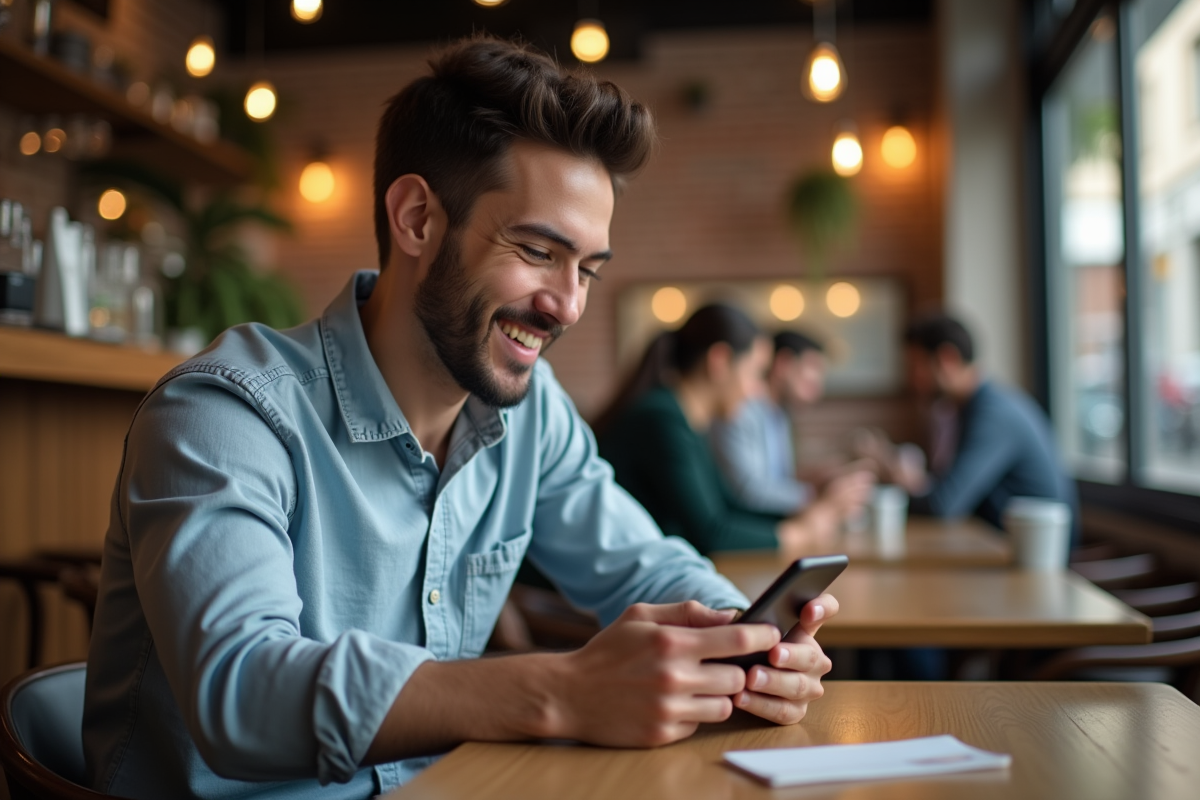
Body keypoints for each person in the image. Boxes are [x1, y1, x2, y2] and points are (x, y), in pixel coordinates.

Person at [82, 37, 839, 800]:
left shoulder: (531, 413)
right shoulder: (226, 412)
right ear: (416, 218)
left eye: (588, 269)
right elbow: (241, 693)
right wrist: (561, 691)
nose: (569, 305)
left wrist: (745, 642)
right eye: (539, 251)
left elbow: (646, 563)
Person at [596, 305, 844, 556]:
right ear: (720, 361)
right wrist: (799, 533)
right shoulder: (662, 418)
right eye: (756, 373)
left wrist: (804, 517)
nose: (757, 391)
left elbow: (728, 507)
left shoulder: (688, 420)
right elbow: (711, 534)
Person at [862, 313, 1078, 532]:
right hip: (1001, 544)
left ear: (948, 359)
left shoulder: (994, 415)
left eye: (916, 366)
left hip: (1035, 558)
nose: (912, 379)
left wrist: (892, 483)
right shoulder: (971, 408)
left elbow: (942, 506)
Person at [709, 330, 874, 519]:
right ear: (783, 364)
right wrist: (820, 497)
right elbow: (749, 491)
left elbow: (776, 478)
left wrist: (819, 478)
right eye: (810, 379)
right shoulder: (739, 408)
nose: (816, 392)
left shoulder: (780, 414)